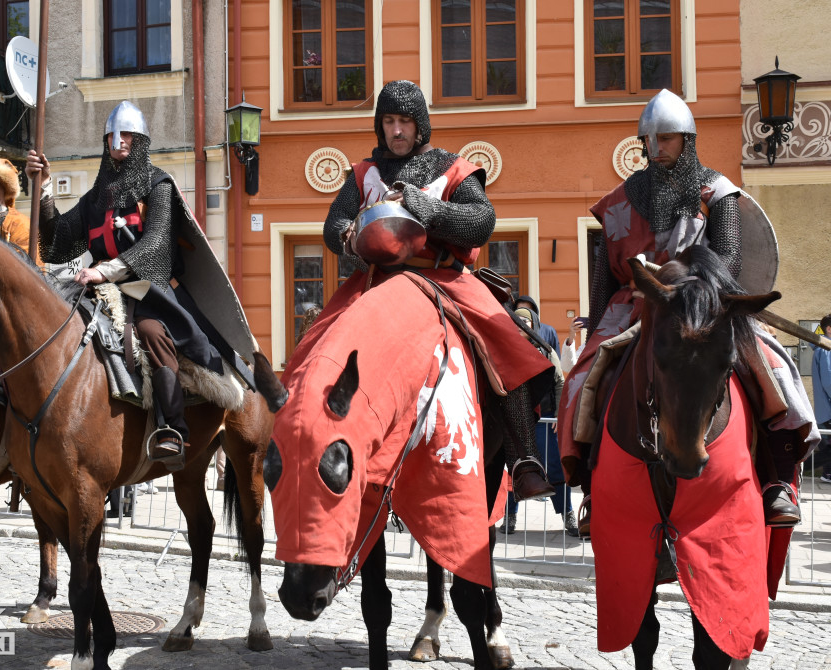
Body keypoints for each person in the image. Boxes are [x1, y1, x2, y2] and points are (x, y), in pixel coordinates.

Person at [558, 89, 816, 534]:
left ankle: (776, 477)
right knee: (583, 378)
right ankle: (591, 483)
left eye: (668, 138)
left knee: (769, 364)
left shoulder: (715, 191)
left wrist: (692, 287)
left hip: (703, 303)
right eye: (651, 140)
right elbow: (605, 278)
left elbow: (729, 257)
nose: (657, 148)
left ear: (687, 140)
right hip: (636, 305)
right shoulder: (619, 201)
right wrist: (597, 327)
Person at [303, 80, 555, 501]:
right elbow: (334, 224)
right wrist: (347, 236)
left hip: (442, 278)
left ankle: (524, 459)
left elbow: (481, 220)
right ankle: (303, 435)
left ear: (420, 125)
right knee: (315, 346)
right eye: (388, 121)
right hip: (375, 279)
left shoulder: (453, 168)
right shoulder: (364, 174)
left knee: (506, 344)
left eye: (404, 121)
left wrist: (430, 207)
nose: (396, 131)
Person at [25, 100, 236, 471]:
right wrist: (42, 188)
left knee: (153, 334)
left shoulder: (158, 185)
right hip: (100, 293)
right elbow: (57, 242)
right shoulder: (95, 199)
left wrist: (105, 271)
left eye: (127, 134)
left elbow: (155, 246)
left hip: (148, 290)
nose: (119, 140)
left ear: (140, 141)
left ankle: (172, 428)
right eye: (112, 134)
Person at [499, 308, 578, 537]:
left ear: (533, 324)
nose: (520, 323)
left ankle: (567, 514)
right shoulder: (505, 350)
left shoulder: (546, 350)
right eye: (516, 319)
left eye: (525, 320)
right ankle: (510, 516)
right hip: (516, 420)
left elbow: (559, 382)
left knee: (554, 468)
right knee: (515, 467)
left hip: (546, 419)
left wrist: (560, 415)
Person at [812, 315, 831, 483]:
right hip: (828, 409)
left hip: (825, 408)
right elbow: (829, 381)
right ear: (829, 329)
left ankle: (827, 474)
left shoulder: (822, 349)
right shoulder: (826, 349)